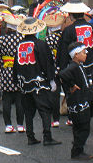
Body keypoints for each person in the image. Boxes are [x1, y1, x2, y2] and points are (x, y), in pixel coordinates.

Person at [58, 0, 93, 142]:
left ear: (71, 16)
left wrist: (61, 69)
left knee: (75, 98)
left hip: (76, 71)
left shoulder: (68, 31)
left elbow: (62, 53)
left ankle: (77, 127)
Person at [13, 17, 61, 146]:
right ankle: (47, 136)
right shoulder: (40, 44)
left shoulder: (19, 46)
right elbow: (47, 62)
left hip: (24, 82)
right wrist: (51, 79)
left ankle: (30, 136)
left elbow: (15, 65)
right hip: (39, 81)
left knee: (28, 111)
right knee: (44, 109)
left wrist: (16, 80)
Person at [58, 42, 93, 160]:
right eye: (83, 53)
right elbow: (62, 75)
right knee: (83, 127)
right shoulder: (73, 66)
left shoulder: (78, 65)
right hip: (78, 102)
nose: (86, 55)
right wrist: (72, 85)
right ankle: (77, 151)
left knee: (79, 127)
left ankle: (77, 149)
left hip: (80, 100)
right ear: (76, 55)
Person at [0, 13, 25, 133]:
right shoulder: (21, 39)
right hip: (20, 71)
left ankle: (8, 125)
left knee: (6, 99)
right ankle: (20, 125)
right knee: (19, 100)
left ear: (7, 28)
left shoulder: (1, 40)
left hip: (6, 72)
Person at [44, 12, 66, 128]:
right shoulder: (64, 36)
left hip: (53, 68)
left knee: (55, 94)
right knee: (68, 92)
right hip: (66, 67)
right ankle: (71, 118)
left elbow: (47, 57)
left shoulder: (48, 39)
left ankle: (56, 119)